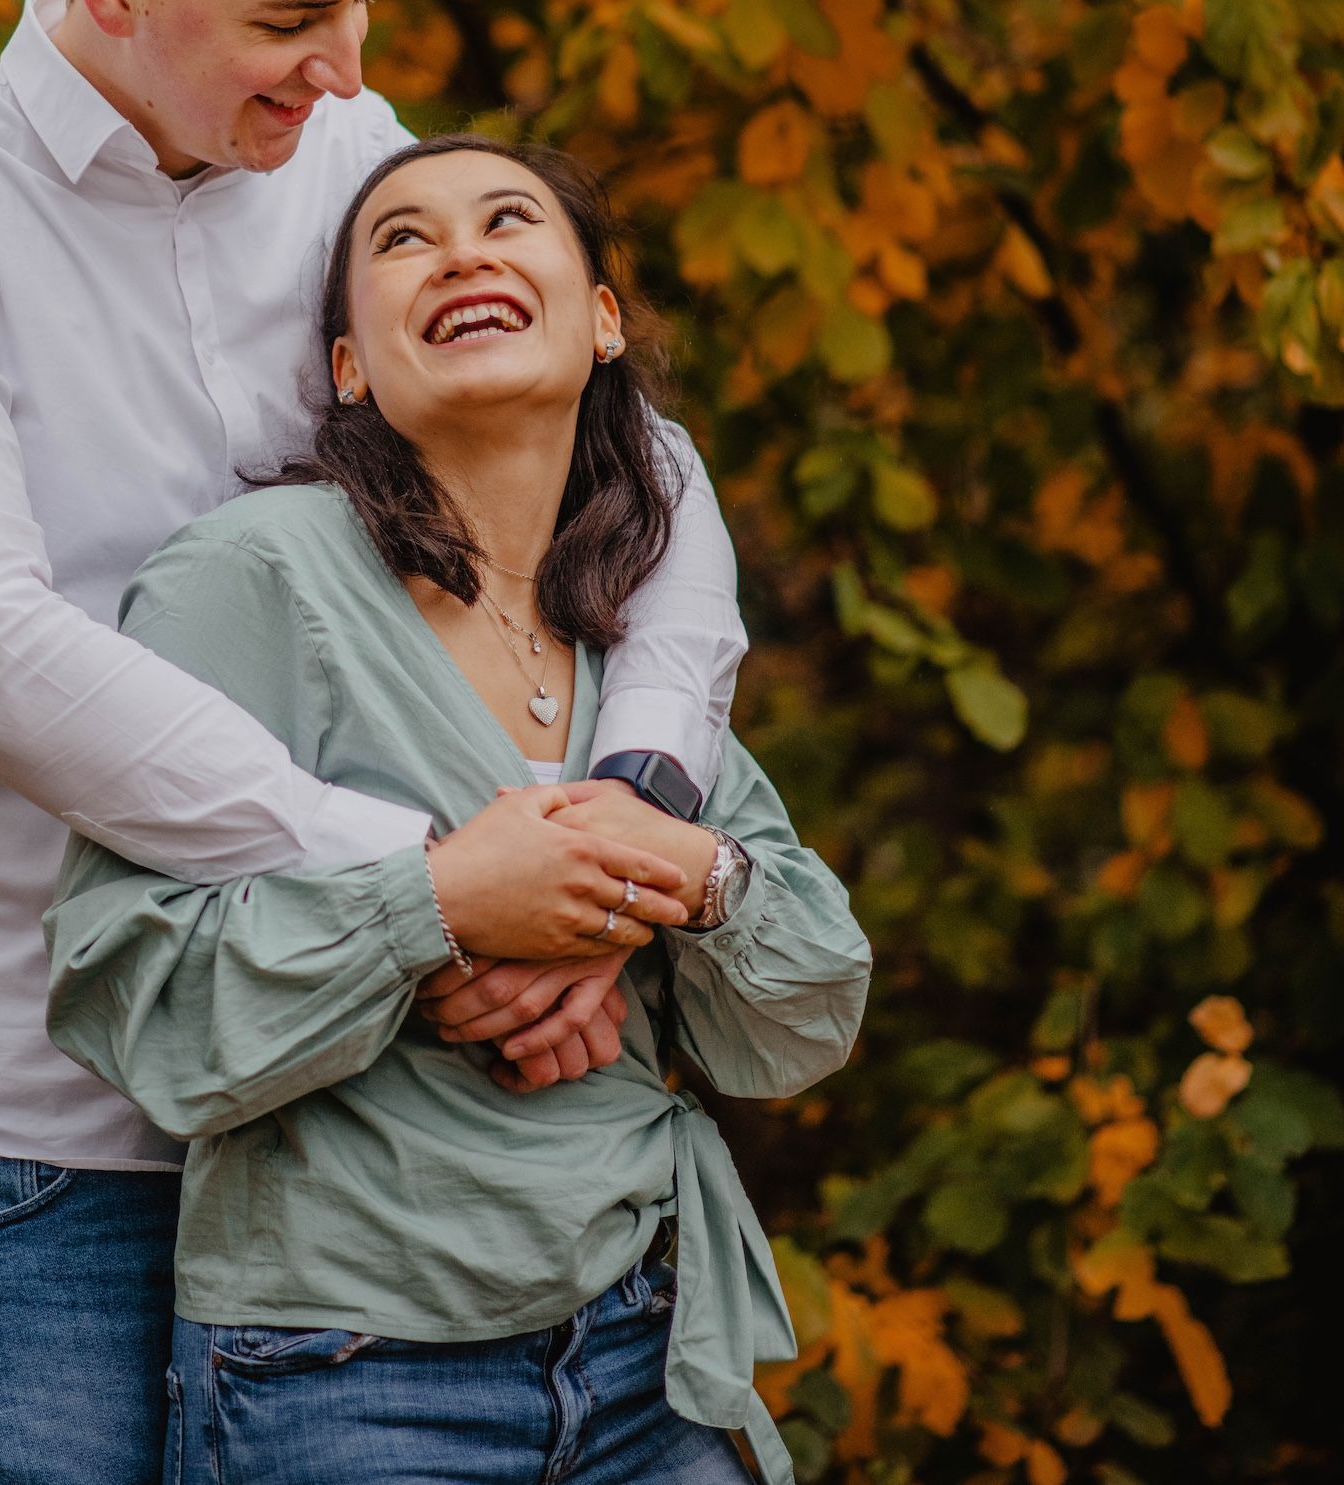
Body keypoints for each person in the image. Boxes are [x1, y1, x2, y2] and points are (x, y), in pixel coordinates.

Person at [0, 0, 751, 1485]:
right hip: (42, 1121)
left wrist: (625, 826)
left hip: (362, 1113)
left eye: (361, 0)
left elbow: (642, 469)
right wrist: (427, 883)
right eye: (291, 21)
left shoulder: (355, 166)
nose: (343, 67)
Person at [46, 135, 871, 1485]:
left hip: (646, 1349)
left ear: (602, 319)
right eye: (404, 239)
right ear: (350, 368)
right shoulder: (255, 577)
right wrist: (434, 909)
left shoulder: (638, 627)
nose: (465, 251)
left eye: (507, 219)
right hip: (342, 1376)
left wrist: (680, 874)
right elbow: (130, 988)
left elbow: (806, 1012)